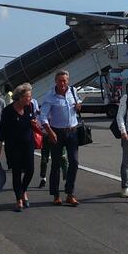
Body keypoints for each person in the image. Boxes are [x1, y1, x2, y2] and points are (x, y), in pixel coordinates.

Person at [39, 70, 83, 206]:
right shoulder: (50, 96)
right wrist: (50, 132)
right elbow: (43, 116)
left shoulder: (73, 91)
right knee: (56, 164)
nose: (62, 83)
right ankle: (56, 195)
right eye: (60, 81)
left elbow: (79, 106)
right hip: (56, 132)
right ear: (55, 81)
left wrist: (79, 106)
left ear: (68, 81)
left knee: (74, 162)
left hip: (73, 132)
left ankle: (70, 193)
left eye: (64, 80)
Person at [0, 82, 38, 212]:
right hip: (13, 146)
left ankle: (23, 191)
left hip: (28, 144)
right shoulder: (8, 111)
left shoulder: (29, 107)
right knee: (17, 173)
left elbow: (32, 121)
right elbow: (2, 131)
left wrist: (34, 123)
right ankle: (19, 198)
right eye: (28, 96)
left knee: (30, 171)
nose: (30, 99)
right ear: (20, 97)